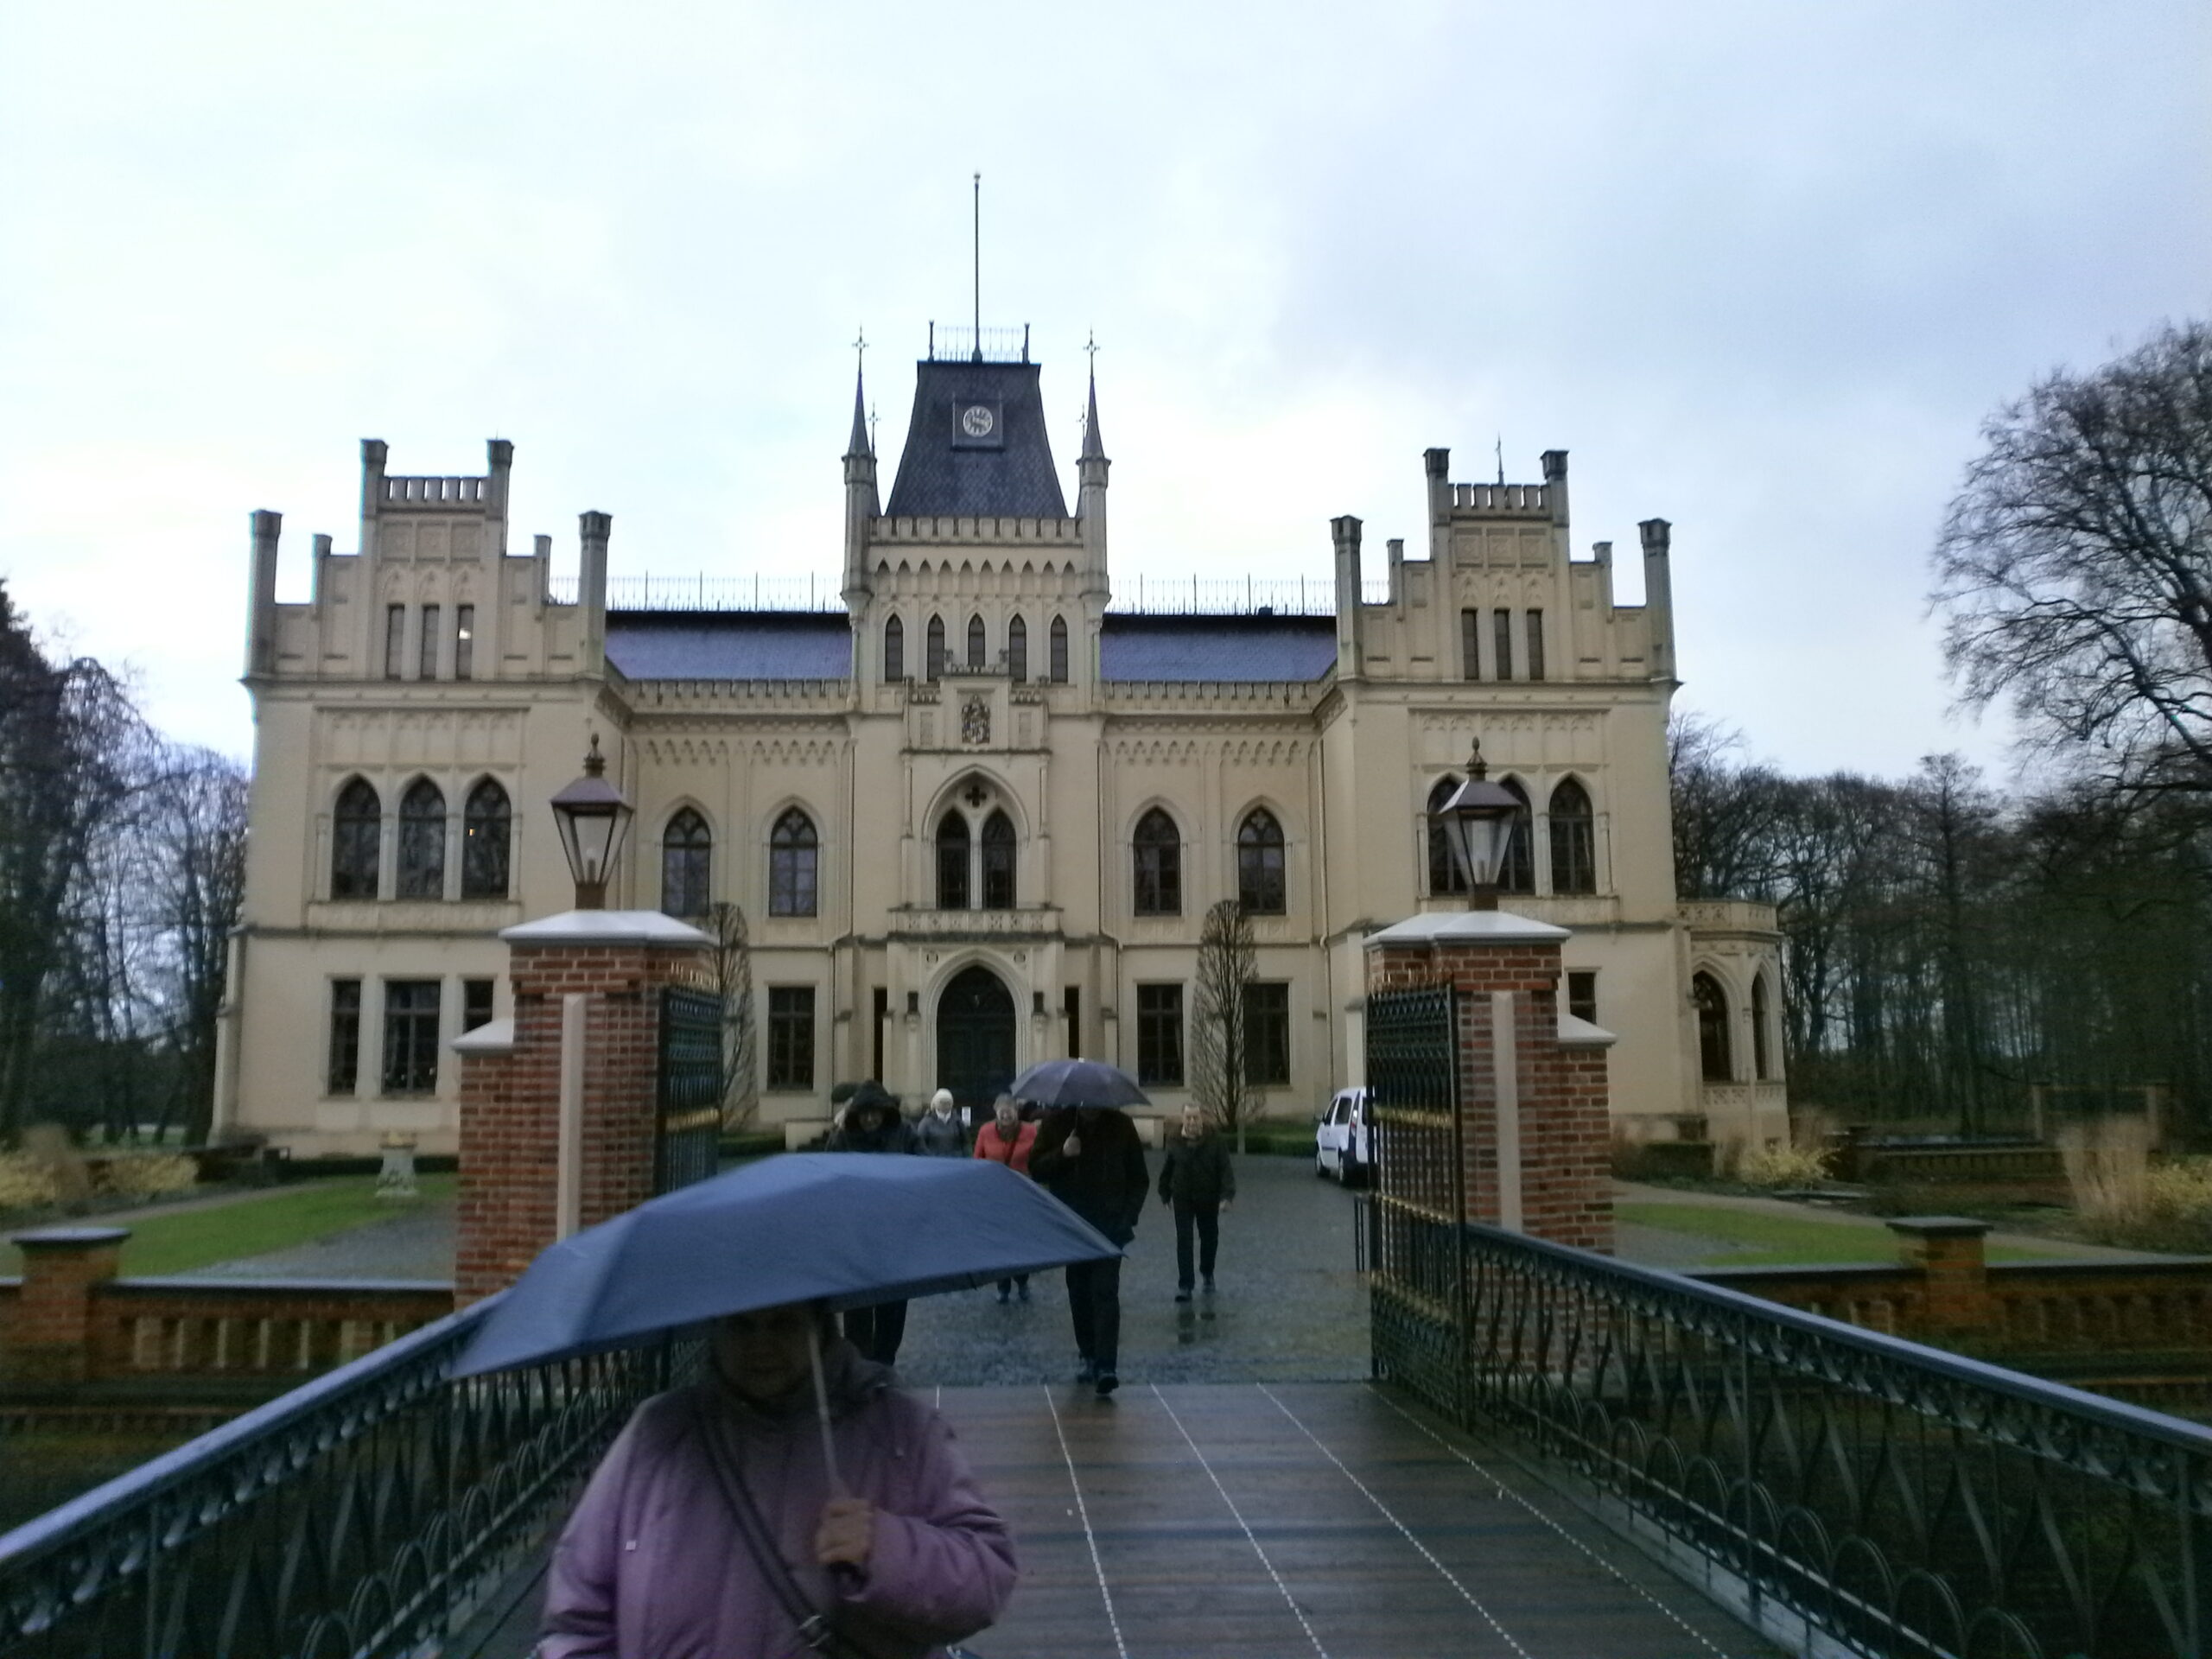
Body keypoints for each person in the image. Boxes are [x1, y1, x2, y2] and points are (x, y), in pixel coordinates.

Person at [540, 1299, 1018, 1658]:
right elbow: (579, 1613)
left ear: (820, 1327)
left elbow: (985, 1576)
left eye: (783, 1324)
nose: (760, 1345)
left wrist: (887, 1549)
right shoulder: (659, 1434)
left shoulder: (898, 1430)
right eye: (741, 1325)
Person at [1029, 1104, 1147, 1398]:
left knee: (1105, 1292)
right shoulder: (1057, 1123)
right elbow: (1036, 1168)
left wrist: (1128, 1216)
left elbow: (1139, 1177)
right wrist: (1063, 1154)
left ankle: (1107, 1365)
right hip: (1073, 1225)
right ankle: (1088, 1354)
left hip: (1111, 1227)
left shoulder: (1121, 1125)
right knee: (1079, 1292)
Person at [826, 1086, 915, 1365]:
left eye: (875, 1113)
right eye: (864, 1114)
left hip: (895, 1232)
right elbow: (826, 1176)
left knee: (894, 1303)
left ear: (885, 1112)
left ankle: (886, 1361)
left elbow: (923, 1169)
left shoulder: (905, 1133)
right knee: (858, 1305)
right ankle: (860, 1364)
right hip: (856, 1233)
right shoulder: (843, 1137)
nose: (869, 1119)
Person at [1157, 1103, 1236, 1301]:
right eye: (1188, 1117)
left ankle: (1207, 1273)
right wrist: (1164, 1193)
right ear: (1182, 1119)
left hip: (1208, 1195)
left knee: (1209, 1238)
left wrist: (1227, 1196)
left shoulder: (1215, 1140)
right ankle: (1185, 1285)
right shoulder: (1174, 1139)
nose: (1192, 1121)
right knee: (1184, 1240)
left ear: (1202, 1119)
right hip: (1182, 1196)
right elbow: (1168, 1167)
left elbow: (1225, 1168)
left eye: (1196, 1117)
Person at [972, 1096, 1039, 1303]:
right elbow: (977, 1160)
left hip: (1022, 1194)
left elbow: (1038, 1158)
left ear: (1017, 1111)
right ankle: (1002, 1286)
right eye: (1002, 1110)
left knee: (1021, 1241)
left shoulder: (1030, 1131)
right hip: (995, 1195)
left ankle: (1022, 1280)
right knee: (999, 1241)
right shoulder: (985, 1131)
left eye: (1009, 1109)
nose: (1005, 1113)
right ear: (995, 1111)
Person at [912, 1088, 969, 1158]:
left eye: (948, 1103)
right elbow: (920, 1145)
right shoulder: (926, 1123)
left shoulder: (958, 1121)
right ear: (936, 1103)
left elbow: (965, 1143)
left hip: (955, 1160)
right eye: (942, 1102)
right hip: (934, 1161)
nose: (945, 1105)